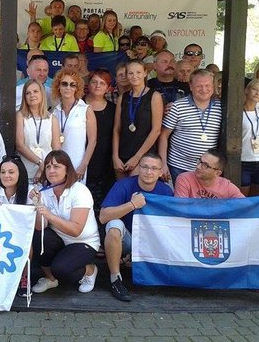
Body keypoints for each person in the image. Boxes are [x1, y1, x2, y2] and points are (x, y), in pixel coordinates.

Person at [99, 152, 173, 301]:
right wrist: (132, 204)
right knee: (113, 226)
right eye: (145, 167)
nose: (148, 171)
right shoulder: (123, 185)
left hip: (152, 241)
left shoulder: (166, 191)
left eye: (154, 168)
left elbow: (171, 225)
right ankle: (115, 279)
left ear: (160, 172)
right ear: (139, 168)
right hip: (128, 239)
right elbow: (103, 217)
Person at [29, 150, 100, 294]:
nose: (51, 170)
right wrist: (37, 203)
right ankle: (50, 279)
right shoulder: (44, 191)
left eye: (56, 166)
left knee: (62, 270)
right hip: (59, 239)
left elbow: (76, 230)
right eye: (48, 167)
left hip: (83, 241)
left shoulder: (80, 191)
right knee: (39, 236)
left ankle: (90, 270)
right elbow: (40, 227)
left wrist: (49, 215)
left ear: (67, 169)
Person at [158, 69, 222, 183]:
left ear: (213, 86)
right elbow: (163, 135)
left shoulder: (221, 107)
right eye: (199, 86)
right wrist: (163, 164)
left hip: (209, 168)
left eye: (207, 85)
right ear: (191, 86)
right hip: (179, 166)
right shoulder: (177, 107)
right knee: (181, 195)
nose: (204, 90)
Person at [113, 60, 163, 179]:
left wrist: (137, 157)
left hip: (144, 155)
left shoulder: (154, 96)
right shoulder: (122, 98)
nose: (134, 76)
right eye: (130, 73)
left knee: (135, 188)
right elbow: (116, 129)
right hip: (123, 154)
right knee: (122, 189)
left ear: (145, 73)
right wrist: (115, 157)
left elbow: (156, 130)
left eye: (138, 72)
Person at [51, 69, 97, 184]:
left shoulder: (85, 109)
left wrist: (84, 165)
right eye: (64, 84)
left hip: (78, 164)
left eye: (72, 85)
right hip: (58, 163)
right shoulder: (54, 111)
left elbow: (92, 140)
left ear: (77, 88)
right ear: (58, 86)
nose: (68, 87)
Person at [16, 80, 61, 183]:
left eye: (35, 91)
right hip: (26, 170)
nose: (32, 95)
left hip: (48, 171)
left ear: (42, 94)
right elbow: (20, 145)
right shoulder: (20, 116)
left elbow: (56, 148)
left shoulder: (52, 118)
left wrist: (45, 167)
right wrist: (40, 163)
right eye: (28, 93)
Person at [84, 70, 116, 213]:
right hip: (81, 157)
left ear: (108, 88)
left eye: (102, 83)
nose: (97, 86)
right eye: (94, 82)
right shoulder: (78, 105)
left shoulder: (113, 109)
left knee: (99, 201)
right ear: (88, 84)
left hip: (104, 161)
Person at [174, 149, 244, 199]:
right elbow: (180, 208)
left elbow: (244, 205)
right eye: (200, 161)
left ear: (217, 173)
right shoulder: (184, 179)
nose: (198, 167)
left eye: (205, 165)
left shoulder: (226, 186)